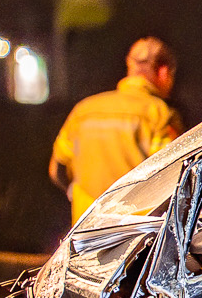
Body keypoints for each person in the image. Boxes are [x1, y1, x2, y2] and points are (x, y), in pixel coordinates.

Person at [49, 37, 182, 220]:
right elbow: (173, 174)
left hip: (86, 228)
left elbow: (57, 170)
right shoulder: (158, 113)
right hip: (136, 230)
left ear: (130, 65)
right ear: (164, 72)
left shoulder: (83, 111)